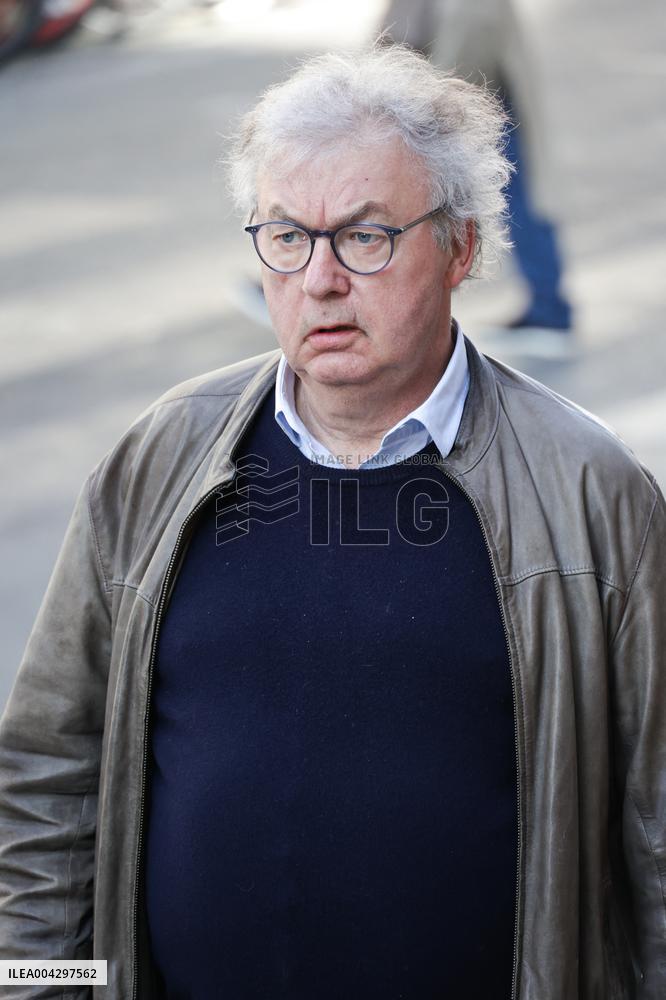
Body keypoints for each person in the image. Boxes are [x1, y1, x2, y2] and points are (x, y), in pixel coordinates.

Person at [0, 44, 664, 1000]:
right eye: (286, 237)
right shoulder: (155, 463)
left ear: (462, 247)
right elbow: (41, 779)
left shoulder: (592, 496)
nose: (319, 279)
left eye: (365, 237)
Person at [382, 0, 573, 352]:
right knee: (517, 194)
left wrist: (430, 107)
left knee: (514, 196)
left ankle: (549, 309)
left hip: (473, 97)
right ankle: (549, 307)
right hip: (463, 92)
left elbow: (471, 29)